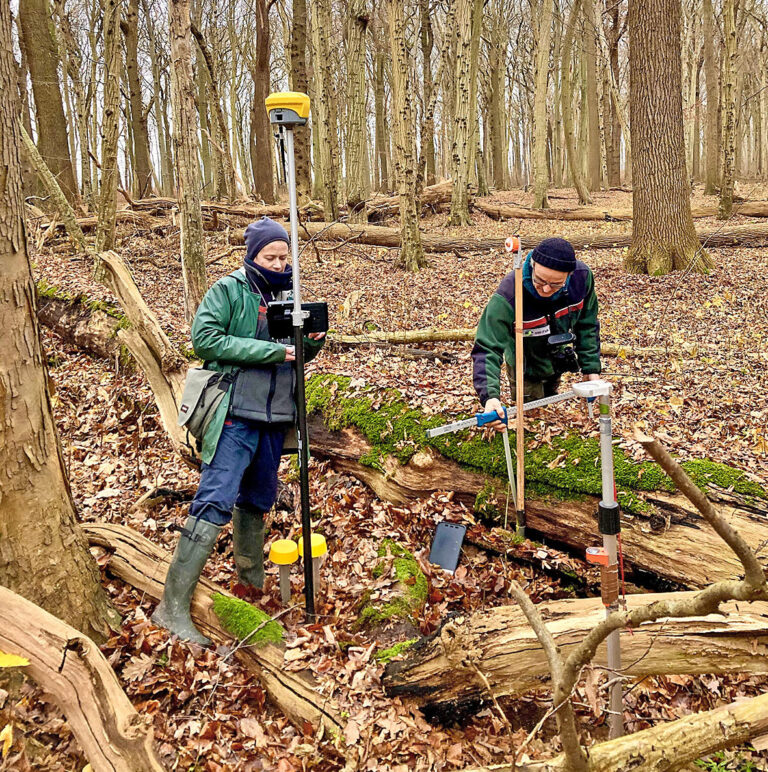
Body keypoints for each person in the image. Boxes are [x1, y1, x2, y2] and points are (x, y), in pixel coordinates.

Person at [153, 217, 325, 645]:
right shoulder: (228, 290)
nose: (280, 263)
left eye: (285, 256)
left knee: (256, 501)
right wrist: (272, 352)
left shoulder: (291, 292)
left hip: (276, 417)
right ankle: (172, 606)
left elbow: (298, 355)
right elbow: (205, 340)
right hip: (234, 412)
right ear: (253, 255)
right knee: (215, 497)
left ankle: (250, 590)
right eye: (272, 256)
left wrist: (315, 340)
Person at [472, 237, 601, 430]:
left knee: (547, 411)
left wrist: (591, 368)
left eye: (556, 284)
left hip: (555, 359)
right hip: (524, 365)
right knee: (532, 420)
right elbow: (487, 348)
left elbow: (587, 325)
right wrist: (490, 397)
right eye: (540, 281)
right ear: (532, 265)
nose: (547, 289)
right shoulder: (509, 294)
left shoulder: (582, 279)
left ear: (569, 276)